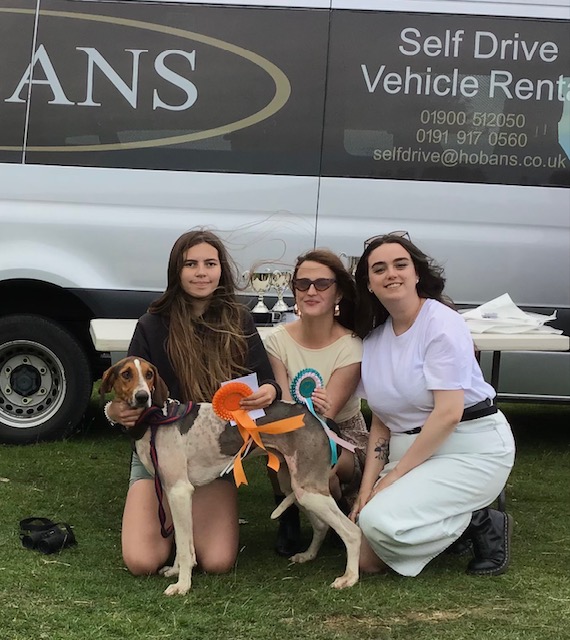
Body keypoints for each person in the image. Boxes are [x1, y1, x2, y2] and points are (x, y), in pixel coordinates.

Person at [105, 229, 280, 576]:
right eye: (191, 264)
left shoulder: (239, 319)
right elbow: (127, 386)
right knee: (142, 561)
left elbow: (266, 380)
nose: (201, 272)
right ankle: (171, 517)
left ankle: (186, 518)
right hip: (158, 455)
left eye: (210, 264)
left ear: (221, 270)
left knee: (216, 561)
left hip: (212, 455)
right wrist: (113, 411)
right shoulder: (152, 324)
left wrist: (270, 392)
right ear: (177, 271)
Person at [350, 232, 516, 577]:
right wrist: (366, 490)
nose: (391, 274)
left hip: (469, 448)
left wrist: (393, 478)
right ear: (369, 284)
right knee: (365, 559)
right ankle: (457, 520)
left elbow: (448, 414)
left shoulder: (441, 323)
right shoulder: (375, 340)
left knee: (378, 521)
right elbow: (381, 421)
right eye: (379, 269)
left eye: (400, 265)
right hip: (411, 449)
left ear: (416, 274)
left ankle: (477, 520)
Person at [264, 249, 368, 556]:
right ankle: (289, 522)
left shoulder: (351, 346)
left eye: (322, 284)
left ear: (338, 293)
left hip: (341, 435)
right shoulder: (276, 341)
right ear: (294, 290)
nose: (311, 291)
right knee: (275, 445)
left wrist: (315, 409)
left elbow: (327, 418)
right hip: (293, 428)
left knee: (325, 463)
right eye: (303, 284)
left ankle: (337, 512)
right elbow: (283, 409)